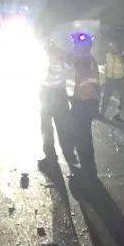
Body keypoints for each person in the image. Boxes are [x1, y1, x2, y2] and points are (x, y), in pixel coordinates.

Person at [39, 42, 76, 170]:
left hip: (56, 99)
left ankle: (68, 154)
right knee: (48, 129)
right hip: (49, 99)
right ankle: (51, 156)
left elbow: (74, 72)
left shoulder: (62, 66)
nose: (51, 57)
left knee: (62, 129)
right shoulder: (43, 66)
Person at [72, 41, 101, 175]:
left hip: (84, 102)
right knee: (84, 134)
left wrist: (78, 98)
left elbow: (87, 83)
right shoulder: (89, 60)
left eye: (76, 46)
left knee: (81, 134)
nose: (74, 48)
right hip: (87, 101)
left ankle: (86, 166)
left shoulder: (83, 60)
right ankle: (88, 165)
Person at [100, 40, 124, 118]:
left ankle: (119, 114)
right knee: (106, 96)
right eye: (112, 44)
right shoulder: (107, 54)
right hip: (110, 79)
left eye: (115, 44)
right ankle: (102, 113)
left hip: (120, 79)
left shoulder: (123, 54)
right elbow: (106, 66)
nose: (114, 46)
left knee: (121, 98)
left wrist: (118, 53)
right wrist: (104, 78)